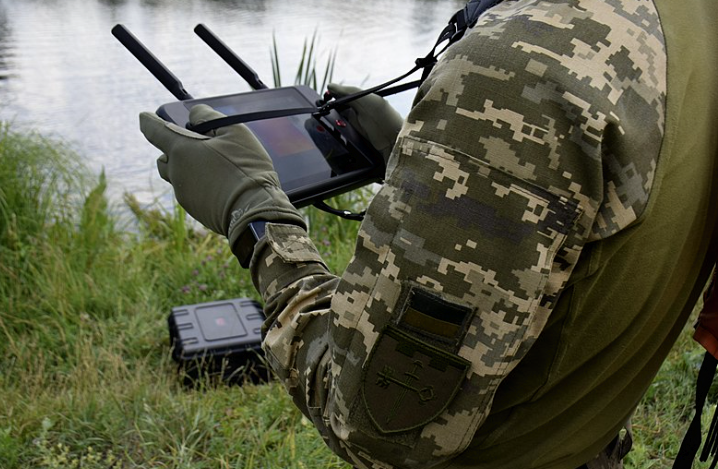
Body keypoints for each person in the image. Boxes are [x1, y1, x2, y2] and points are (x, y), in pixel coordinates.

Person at [139, 0, 718, 467]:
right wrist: (436, 172)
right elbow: (592, 231)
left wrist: (255, 217)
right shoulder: (686, 21)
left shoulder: (529, 58)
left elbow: (371, 421)